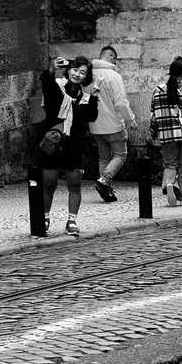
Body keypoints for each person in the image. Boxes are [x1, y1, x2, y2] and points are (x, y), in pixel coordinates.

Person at [36, 55, 99, 236]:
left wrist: (95, 97)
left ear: (86, 77)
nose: (77, 74)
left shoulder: (85, 98)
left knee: (75, 184)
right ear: (68, 70)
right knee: (48, 184)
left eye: (82, 72)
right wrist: (51, 69)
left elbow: (90, 117)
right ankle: (44, 217)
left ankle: (71, 220)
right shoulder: (56, 88)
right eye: (74, 69)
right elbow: (46, 85)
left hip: (74, 145)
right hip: (52, 143)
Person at [89, 45, 137, 203]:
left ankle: (106, 191)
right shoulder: (113, 76)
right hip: (113, 124)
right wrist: (130, 120)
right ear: (111, 56)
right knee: (120, 155)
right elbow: (120, 103)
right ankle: (104, 180)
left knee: (104, 157)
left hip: (94, 124)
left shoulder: (89, 74)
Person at [150, 57, 182, 205]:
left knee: (170, 164)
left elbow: (154, 115)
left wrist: (153, 132)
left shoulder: (158, 91)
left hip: (167, 135)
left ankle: (169, 184)